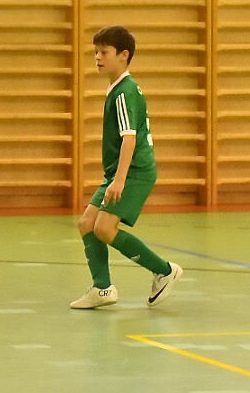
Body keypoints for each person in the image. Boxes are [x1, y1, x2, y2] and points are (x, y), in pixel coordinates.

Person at [71, 26, 181, 309]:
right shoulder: (118, 88)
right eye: (95, 52)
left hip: (134, 172)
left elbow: (129, 138)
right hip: (119, 173)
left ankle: (164, 271)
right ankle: (102, 288)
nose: (97, 57)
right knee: (87, 224)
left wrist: (119, 180)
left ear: (123, 55)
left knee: (105, 228)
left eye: (104, 52)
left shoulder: (124, 92)